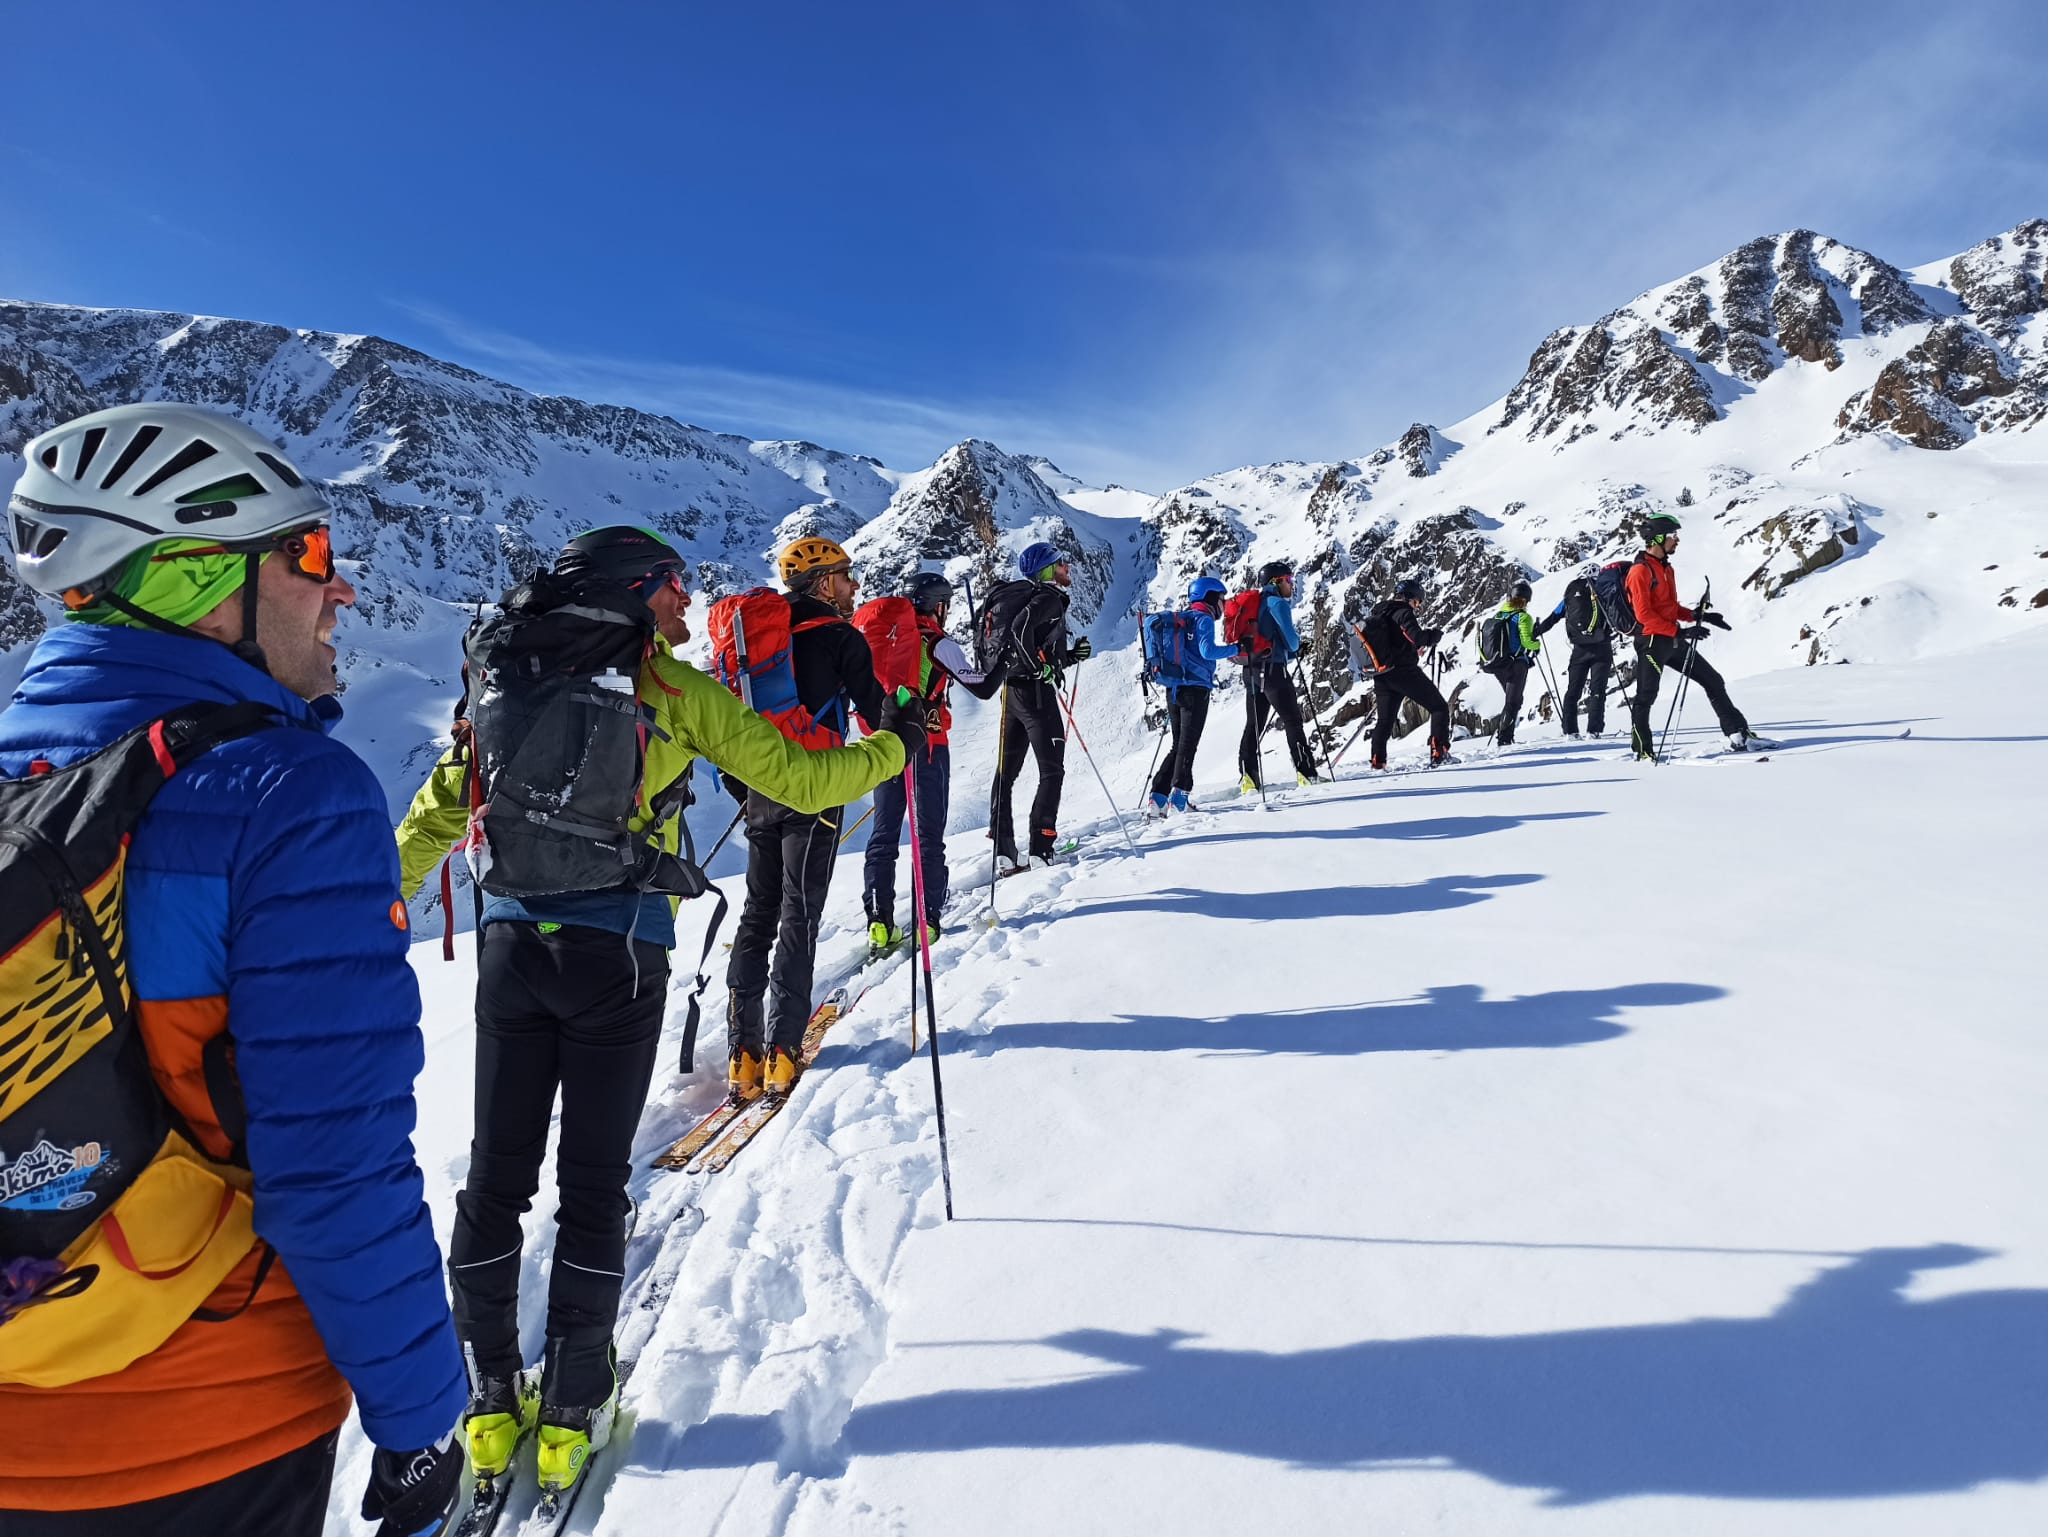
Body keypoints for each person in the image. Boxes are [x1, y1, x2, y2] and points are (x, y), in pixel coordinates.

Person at [0, 404, 467, 1537]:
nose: (338, 588)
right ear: (202, 579)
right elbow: (334, 1164)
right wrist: (420, 1415)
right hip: (201, 1423)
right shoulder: (286, 794)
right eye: (308, 554)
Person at [393, 527, 916, 1501]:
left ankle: (492, 1406)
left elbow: (440, 802)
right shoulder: (667, 687)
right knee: (592, 1182)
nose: (686, 607)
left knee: (496, 1177)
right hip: (621, 953)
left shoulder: (504, 670)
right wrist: (893, 746)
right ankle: (574, 1412)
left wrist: (382, 898)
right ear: (631, 592)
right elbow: (797, 780)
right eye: (673, 589)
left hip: (510, 949)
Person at [725, 536, 888, 1096]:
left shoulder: (754, 642)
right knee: (799, 914)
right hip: (816, 785)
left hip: (761, 787)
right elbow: (875, 714)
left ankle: (742, 1054)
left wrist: (744, 787)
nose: (854, 587)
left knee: (757, 913)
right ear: (824, 583)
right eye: (846, 577)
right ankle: (783, 1051)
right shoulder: (840, 636)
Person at [862, 572, 1001, 949]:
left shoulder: (890, 640)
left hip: (884, 743)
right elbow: (983, 687)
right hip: (928, 744)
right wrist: (1001, 656)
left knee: (884, 833)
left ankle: (878, 918)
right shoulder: (937, 643)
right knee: (928, 835)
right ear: (939, 605)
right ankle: (929, 918)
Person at [1624, 515, 1764, 758]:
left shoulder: (1666, 568)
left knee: (1713, 680)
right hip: (1652, 642)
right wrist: (1681, 631)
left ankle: (1738, 733)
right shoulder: (1640, 571)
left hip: (1671, 638)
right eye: (1672, 535)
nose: (1676, 540)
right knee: (1646, 696)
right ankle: (1642, 750)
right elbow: (1644, 615)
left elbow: (1670, 607)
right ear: (1657, 537)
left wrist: (1700, 616)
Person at [990, 541, 1090, 872]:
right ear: (1047, 570)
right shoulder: (1047, 598)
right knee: (1052, 770)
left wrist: (1069, 658)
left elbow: (1033, 643)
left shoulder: (1027, 598)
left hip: (1011, 693)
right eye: (1061, 563)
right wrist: (1039, 669)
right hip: (1035, 695)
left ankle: (1005, 851)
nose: (1067, 568)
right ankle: (1041, 848)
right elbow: (1022, 633)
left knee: (1007, 773)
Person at [1143, 575, 1237, 812]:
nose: (1223, 604)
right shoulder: (1203, 619)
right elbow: (1208, 651)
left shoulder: (1183, 619)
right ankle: (1179, 799)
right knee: (1188, 745)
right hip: (1195, 689)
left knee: (1178, 745)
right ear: (1210, 597)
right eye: (1221, 598)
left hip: (1174, 688)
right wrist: (1238, 647)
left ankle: (1158, 798)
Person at [1236, 561, 1318, 790]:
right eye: (1289, 580)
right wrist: (1299, 646)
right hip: (1274, 673)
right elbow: (1291, 643)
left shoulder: (1253, 606)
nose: (1292, 585)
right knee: (1293, 721)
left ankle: (1248, 779)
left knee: (1253, 725)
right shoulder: (1277, 604)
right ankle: (1306, 773)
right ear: (1276, 581)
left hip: (1251, 671)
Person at [1358, 575, 1452, 769]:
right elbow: (1417, 637)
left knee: (1385, 721)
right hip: (1404, 672)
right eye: (1417, 601)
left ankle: (1378, 762)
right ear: (1411, 598)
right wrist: (1433, 635)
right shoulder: (1403, 612)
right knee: (1439, 707)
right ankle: (1439, 752)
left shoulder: (1380, 611)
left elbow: (1394, 640)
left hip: (1382, 673)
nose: (1417, 606)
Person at [1545, 563, 1615, 737]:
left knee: (1573, 690)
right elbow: (1616, 614)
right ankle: (1594, 731)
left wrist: (1536, 632)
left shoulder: (1572, 591)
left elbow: (1555, 615)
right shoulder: (1604, 590)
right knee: (1597, 690)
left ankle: (1570, 732)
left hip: (1579, 649)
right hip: (1602, 646)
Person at [1484, 581, 1543, 747]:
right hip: (1516, 664)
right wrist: (1536, 644)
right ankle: (1504, 739)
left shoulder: (1498, 615)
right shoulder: (1523, 617)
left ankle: (1504, 735)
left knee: (1511, 700)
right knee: (1513, 702)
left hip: (1498, 664)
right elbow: (1527, 643)